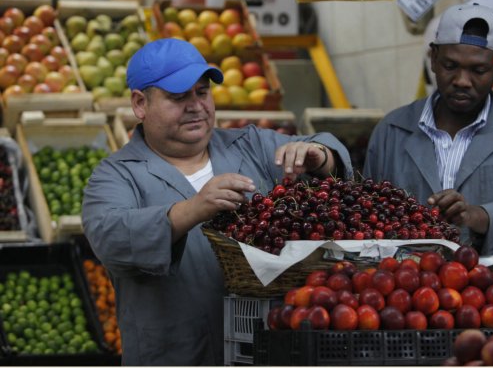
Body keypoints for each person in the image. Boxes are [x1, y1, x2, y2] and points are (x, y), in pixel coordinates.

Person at [82, 38, 353, 366]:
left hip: (265, 352)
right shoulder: (116, 175)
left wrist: (320, 157)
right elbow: (110, 236)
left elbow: (327, 151)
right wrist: (192, 209)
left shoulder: (249, 144)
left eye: (202, 92)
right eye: (178, 97)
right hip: (174, 355)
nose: (195, 105)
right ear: (140, 104)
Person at [363, 3, 493, 256]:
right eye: (450, 66)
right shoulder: (392, 130)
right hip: (403, 282)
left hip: (492, 286)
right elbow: (368, 211)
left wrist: (476, 215)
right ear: (433, 59)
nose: (462, 81)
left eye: (478, 70)